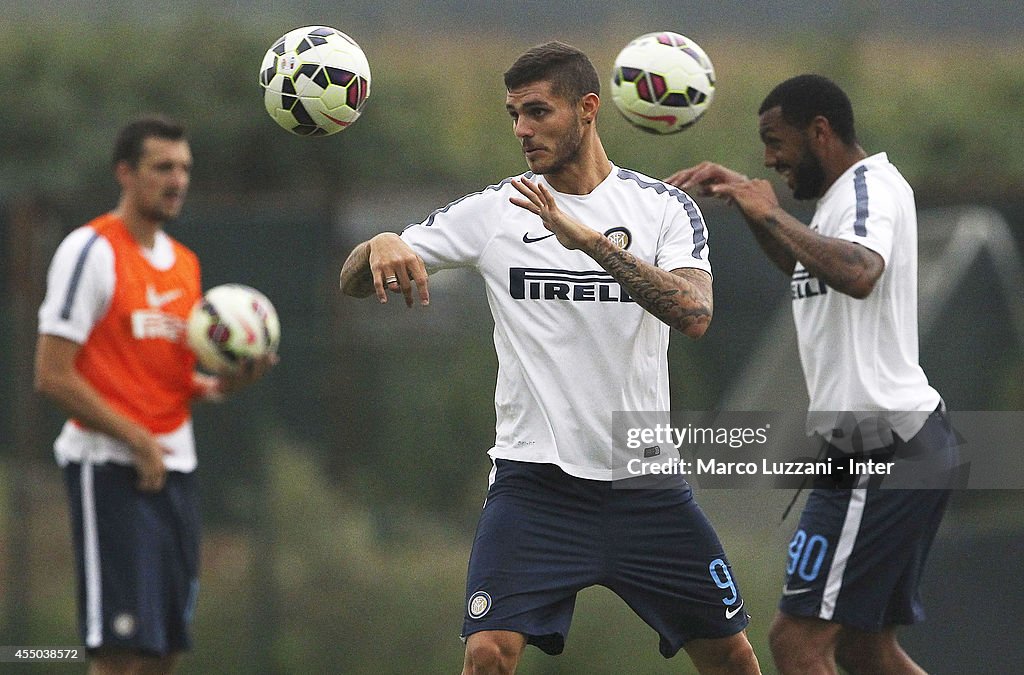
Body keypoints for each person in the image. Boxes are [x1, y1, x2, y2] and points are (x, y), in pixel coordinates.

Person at [340, 42, 760, 674]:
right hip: (535, 485)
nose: (522, 130)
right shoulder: (495, 212)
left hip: (644, 484)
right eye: (514, 114)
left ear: (588, 109)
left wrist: (585, 240)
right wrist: (379, 242)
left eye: (538, 112)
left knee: (731, 658)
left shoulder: (664, 208)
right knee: (487, 653)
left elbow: (693, 313)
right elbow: (351, 278)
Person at [666, 74, 956, 674]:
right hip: (884, 445)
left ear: (820, 131)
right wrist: (754, 210)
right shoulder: (838, 202)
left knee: (797, 643)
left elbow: (859, 272)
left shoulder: (870, 186)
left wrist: (768, 210)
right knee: (863, 648)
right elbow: (812, 270)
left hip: (881, 445)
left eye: (776, 142)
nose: (770, 160)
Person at [34, 115, 273, 674]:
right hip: (110, 465)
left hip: (175, 468)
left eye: (185, 168)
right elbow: (52, 374)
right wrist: (137, 440)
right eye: (163, 167)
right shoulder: (89, 251)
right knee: (118, 650)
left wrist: (231, 381)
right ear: (125, 173)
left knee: (164, 650)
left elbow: (178, 379)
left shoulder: (185, 264)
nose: (177, 180)